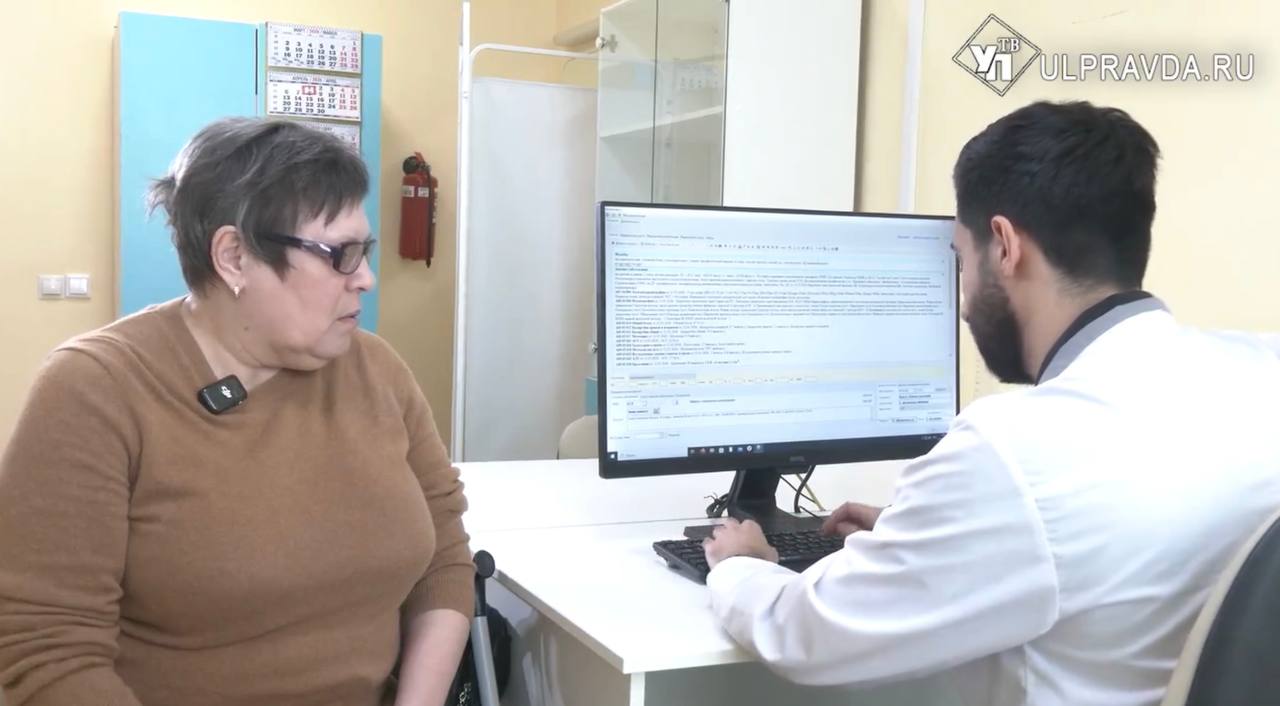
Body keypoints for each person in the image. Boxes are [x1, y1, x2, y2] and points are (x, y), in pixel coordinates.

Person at [702, 101, 1280, 706]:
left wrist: (742, 565)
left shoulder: (1013, 450)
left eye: (961, 259)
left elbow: (806, 635)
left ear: (1004, 246)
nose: (962, 299)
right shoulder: (1261, 368)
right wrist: (931, 531)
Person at [0, 118, 473, 706]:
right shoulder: (95, 391)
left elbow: (444, 560)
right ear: (234, 257)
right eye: (341, 255)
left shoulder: (377, 369)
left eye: (365, 252)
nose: (367, 280)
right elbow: (47, 652)